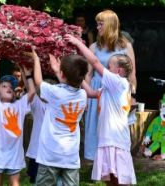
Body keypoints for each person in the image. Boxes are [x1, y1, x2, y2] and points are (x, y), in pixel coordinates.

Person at [65, 33, 136, 185]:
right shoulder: (109, 88)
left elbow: (95, 62)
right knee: (110, 180)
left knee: (121, 180)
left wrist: (78, 44)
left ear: (118, 71)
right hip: (106, 140)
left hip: (115, 140)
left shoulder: (119, 83)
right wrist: (78, 76)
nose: (105, 69)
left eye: (109, 66)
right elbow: (90, 93)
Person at [28, 48, 88, 186]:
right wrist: (57, 70)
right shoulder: (82, 95)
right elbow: (70, 82)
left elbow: (38, 81)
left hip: (50, 155)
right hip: (71, 157)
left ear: (62, 74)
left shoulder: (55, 92)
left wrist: (36, 59)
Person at [83, 10, 136, 161]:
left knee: (115, 126)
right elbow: (88, 73)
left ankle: (115, 162)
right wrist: (86, 96)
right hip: (98, 89)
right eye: (97, 24)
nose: (97, 27)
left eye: (100, 24)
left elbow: (132, 74)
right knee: (96, 126)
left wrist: (132, 96)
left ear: (110, 25)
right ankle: (98, 163)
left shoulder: (126, 46)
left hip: (118, 93)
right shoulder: (94, 47)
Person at [0, 56, 35, 185]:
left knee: (15, 183)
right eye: (3, 86)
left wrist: (26, 73)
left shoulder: (19, 105)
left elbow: (31, 91)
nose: (8, 88)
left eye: (11, 87)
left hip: (15, 153)